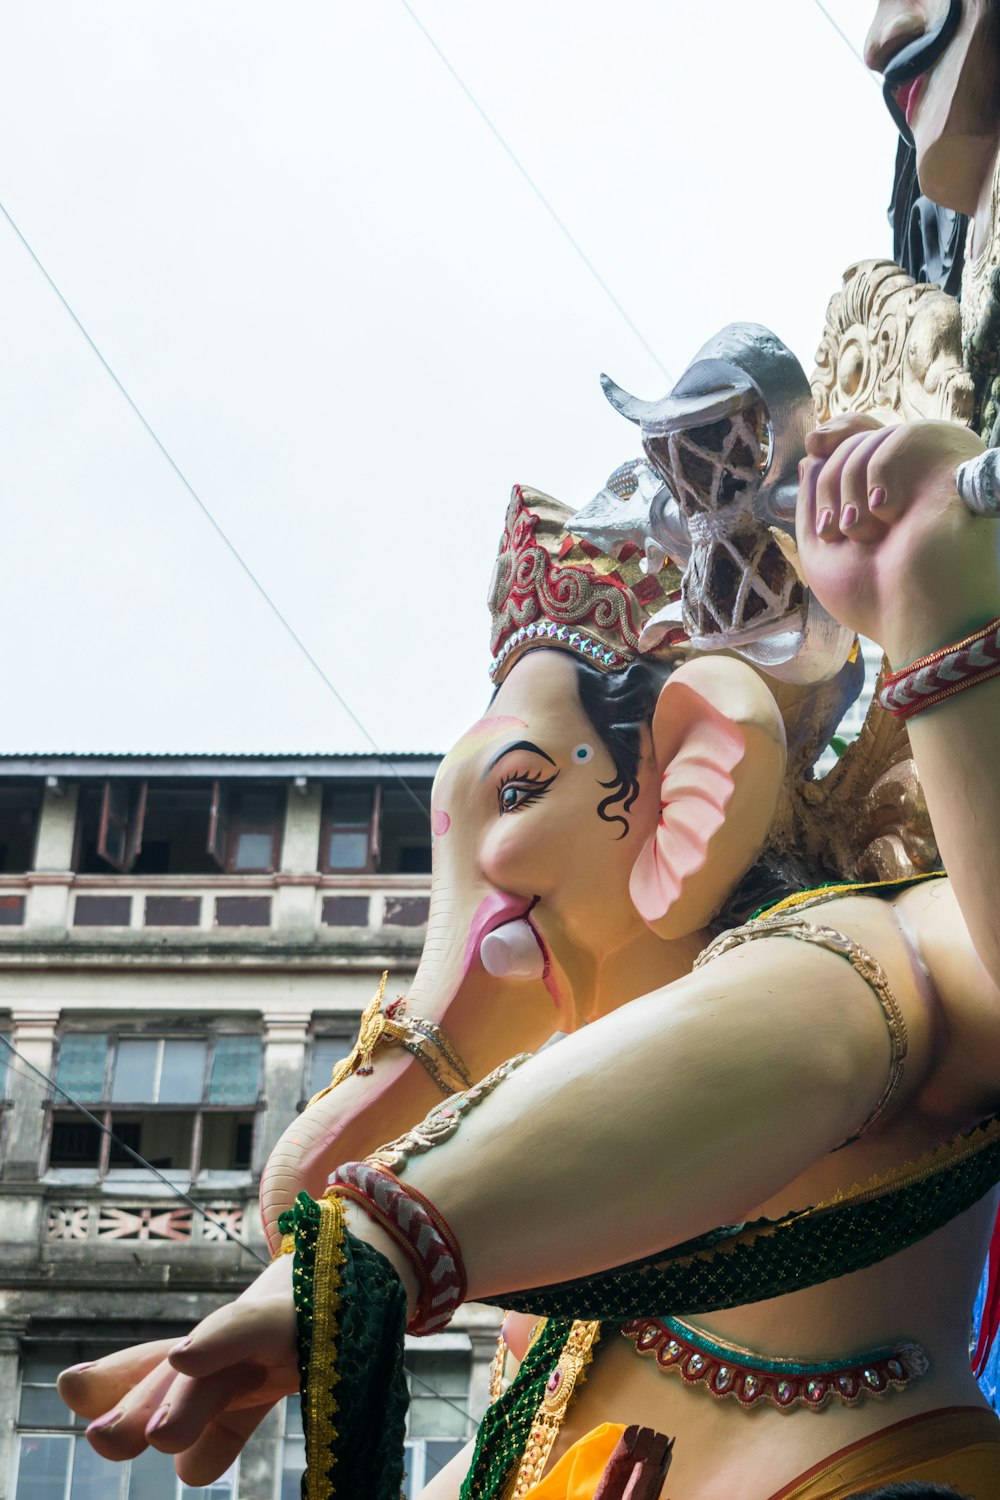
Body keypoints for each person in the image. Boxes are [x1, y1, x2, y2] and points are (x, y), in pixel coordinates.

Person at [56, 4, 1000, 1495]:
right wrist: (307, 1280)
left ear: (696, 782)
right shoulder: (548, 1326)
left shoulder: (863, 955)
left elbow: (773, 1045)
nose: (489, 874)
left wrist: (943, 621)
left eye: (520, 793)